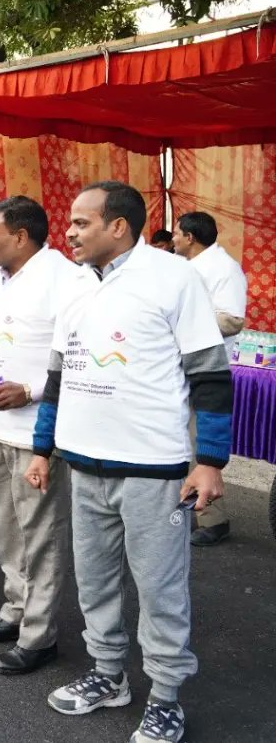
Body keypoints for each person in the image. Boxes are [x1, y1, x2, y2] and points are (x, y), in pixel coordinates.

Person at [25, 181, 231, 743]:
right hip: (85, 467)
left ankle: (165, 697)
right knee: (95, 583)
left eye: (81, 222)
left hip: (153, 470)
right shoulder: (74, 286)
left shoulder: (173, 278)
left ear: (118, 226)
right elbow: (58, 376)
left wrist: (210, 460)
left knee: (161, 589)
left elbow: (211, 376)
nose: (69, 232)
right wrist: (42, 448)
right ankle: (108, 674)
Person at [0, 196, 73, 675]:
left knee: (41, 537)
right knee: (7, 529)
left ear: (22, 236)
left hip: (36, 437)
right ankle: (15, 610)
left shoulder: (63, 279)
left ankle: (39, 635)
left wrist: (30, 391)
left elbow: (76, 359)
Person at [170, 211, 247, 547]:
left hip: (204, 370)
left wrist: (182, 319)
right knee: (177, 443)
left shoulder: (224, 268)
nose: (172, 239)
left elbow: (232, 320)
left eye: (176, 233)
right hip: (177, 369)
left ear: (190, 237)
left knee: (199, 445)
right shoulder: (183, 266)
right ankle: (187, 510)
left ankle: (214, 520)